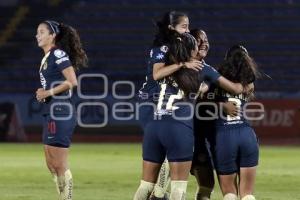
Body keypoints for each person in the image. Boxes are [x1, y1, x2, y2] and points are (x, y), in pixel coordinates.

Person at [153, 28, 248, 200]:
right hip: (189, 135)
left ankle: (159, 190)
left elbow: (231, 89)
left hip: (204, 138)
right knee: (183, 187)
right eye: (199, 40)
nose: (204, 43)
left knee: (206, 186)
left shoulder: (206, 70)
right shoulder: (181, 68)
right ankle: (159, 190)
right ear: (192, 46)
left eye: (206, 40)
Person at [35, 20, 87, 200]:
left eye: (41, 32)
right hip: (51, 111)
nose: (37, 36)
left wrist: (48, 92)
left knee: (59, 164)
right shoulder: (47, 57)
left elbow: (72, 82)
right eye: (37, 32)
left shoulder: (57, 53)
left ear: (52, 35)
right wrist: (43, 93)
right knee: (51, 164)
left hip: (61, 112)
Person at [210, 45, 259, 200]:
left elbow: (202, 102)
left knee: (229, 192)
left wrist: (219, 103)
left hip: (224, 135)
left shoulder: (214, 79)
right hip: (246, 133)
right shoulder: (249, 84)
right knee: (247, 194)